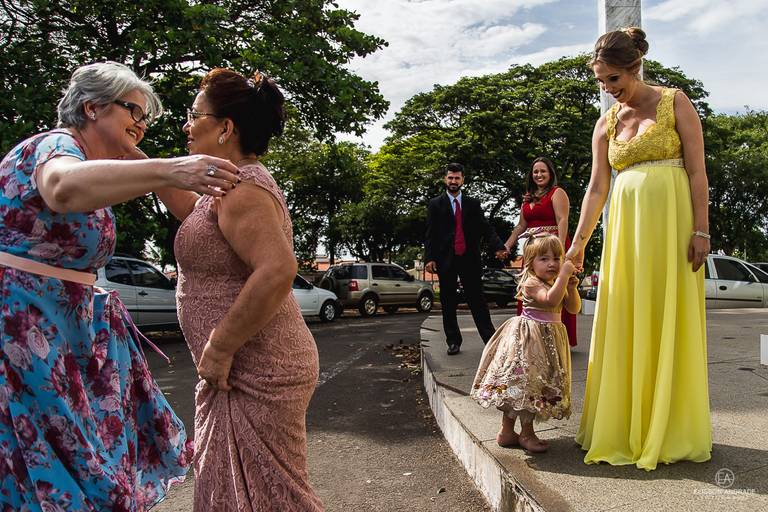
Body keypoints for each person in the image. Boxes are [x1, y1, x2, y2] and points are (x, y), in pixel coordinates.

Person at [0, 61, 241, 510]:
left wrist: (155, 166)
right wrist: (170, 168)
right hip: (26, 330)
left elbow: (191, 212)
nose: (142, 126)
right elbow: (62, 190)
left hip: (67, 332)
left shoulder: (100, 166)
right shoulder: (54, 146)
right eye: (135, 111)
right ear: (92, 107)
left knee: (80, 462)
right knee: (56, 463)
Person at [155, 68, 323, 511]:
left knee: (272, 497)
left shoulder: (243, 190)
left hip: (260, 369)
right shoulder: (224, 187)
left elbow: (276, 270)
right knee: (235, 493)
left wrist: (220, 346)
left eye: (195, 115)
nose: (186, 126)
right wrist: (142, 163)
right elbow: (192, 213)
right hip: (241, 369)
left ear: (226, 127)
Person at [565, 27, 712, 470]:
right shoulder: (606, 122)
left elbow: (697, 171)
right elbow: (595, 189)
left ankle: (669, 427)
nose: (609, 90)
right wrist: (577, 246)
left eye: (615, 80)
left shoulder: (675, 102)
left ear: (635, 67)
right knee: (625, 310)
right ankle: (623, 424)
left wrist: (701, 231)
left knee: (666, 314)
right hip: (625, 233)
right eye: (601, 81)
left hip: (672, 226)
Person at [471, 234, 579, 452]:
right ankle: (527, 434)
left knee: (531, 385)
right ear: (530, 263)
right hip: (530, 340)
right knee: (527, 384)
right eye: (544, 258)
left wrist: (572, 286)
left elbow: (573, 308)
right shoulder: (531, 282)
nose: (552, 263)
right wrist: (564, 276)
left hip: (549, 339)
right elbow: (550, 300)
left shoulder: (555, 281)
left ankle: (507, 432)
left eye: (557, 258)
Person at [425, 163, 507, 355]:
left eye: (457, 178)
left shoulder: (473, 204)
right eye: (450, 178)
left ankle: (489, 339)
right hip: (446, 260)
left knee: (477, 300)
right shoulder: (435, 204)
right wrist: (429, 258)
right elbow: (430, 234)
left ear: (463, 180)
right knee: (448, 301)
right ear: (445, 179)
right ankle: (453, 341)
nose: (453, 181)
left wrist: (499, 246)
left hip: (469, 259)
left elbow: (486, 227)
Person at [504, 157, 578, 347]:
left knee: (556, 289)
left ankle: (556, 337)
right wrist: (508, 244)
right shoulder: (527, 198)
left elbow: (563, 220)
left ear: (550, 173)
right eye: (535, 172)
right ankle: (529, 334)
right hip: (533, 251)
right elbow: (521, 225)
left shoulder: (557, 193)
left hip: (551, 248)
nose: (539, 175)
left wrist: (560, 250)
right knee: (530, 289)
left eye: (543, 171)